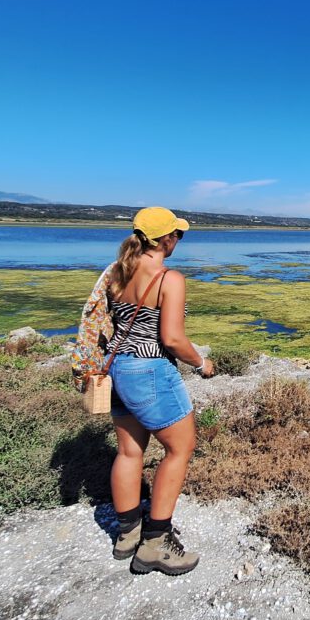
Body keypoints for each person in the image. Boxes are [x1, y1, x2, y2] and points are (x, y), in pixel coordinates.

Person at [105, 206, 215, 576]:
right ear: (165, 239)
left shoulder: (118, 272)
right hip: (151, 369)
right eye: (177, 235)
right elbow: (171, 338)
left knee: (129, 451)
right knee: (179, 448)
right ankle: (155, 543)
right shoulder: (169, 279)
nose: (178, 241)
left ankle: (126, 535)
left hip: (118, 367)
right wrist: (201, 363)